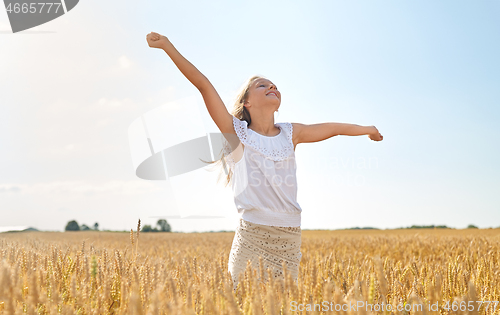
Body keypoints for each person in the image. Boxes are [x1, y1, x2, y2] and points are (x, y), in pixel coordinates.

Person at [146, 31, 384, 292]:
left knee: (280, 306)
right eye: (263, 85)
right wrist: (168, 47)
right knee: (241, 303)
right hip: (252, 237)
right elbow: (203, 84)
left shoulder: (291, 133)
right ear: (246, 102)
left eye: (274, 86)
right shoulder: (236, 132)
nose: (272, 87)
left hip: (289, 238)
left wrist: (367, 128)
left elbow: (333, 128)